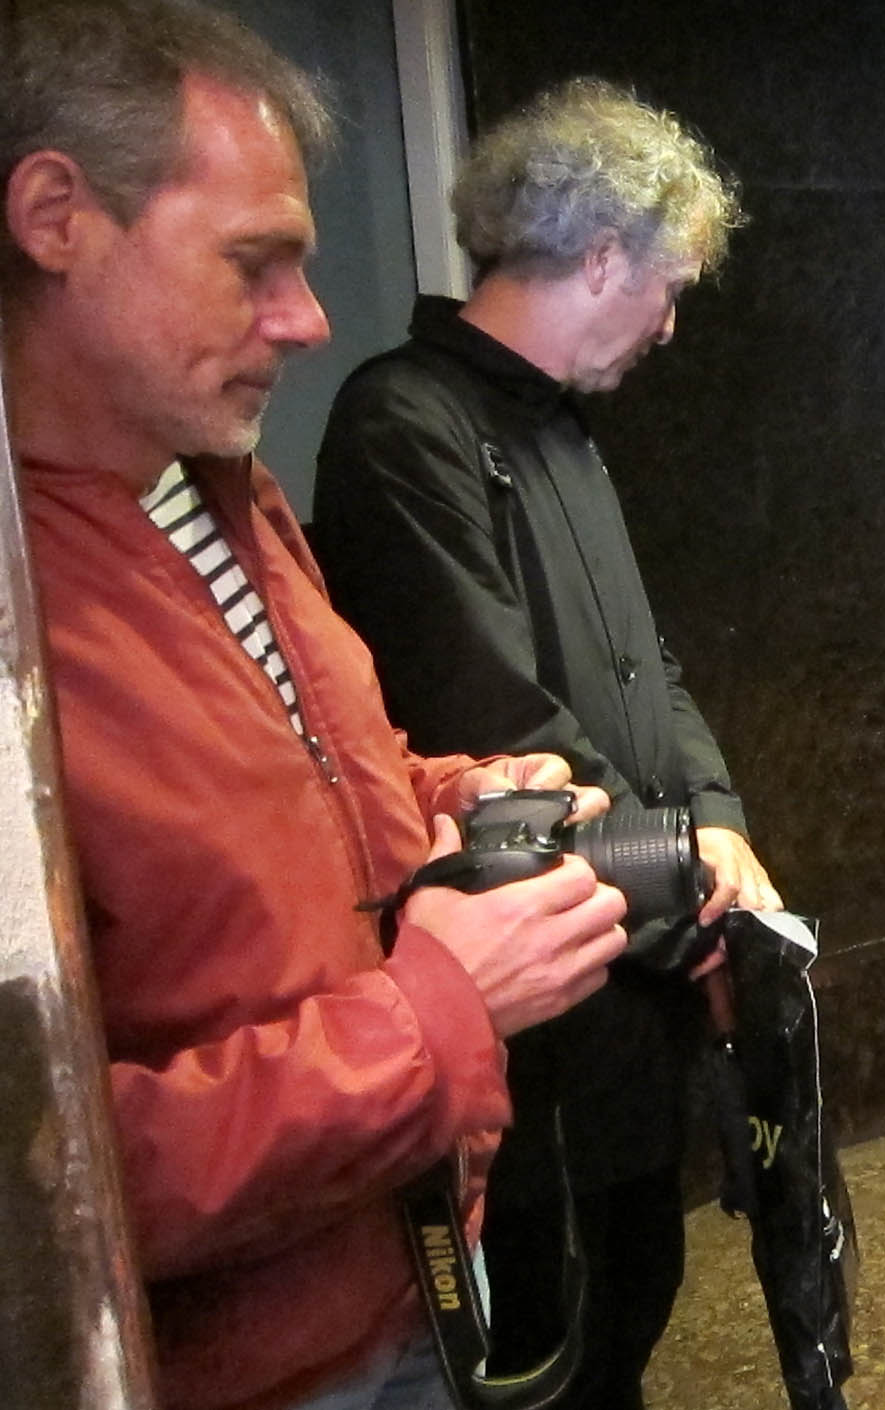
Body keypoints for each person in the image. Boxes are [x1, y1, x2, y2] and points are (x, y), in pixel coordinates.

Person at [0, 4, 634, 1407]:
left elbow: (315, 778)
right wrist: (440, 1007)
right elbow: (52, 1185)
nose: (308, 317)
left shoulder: (218, 489)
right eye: (254, 262)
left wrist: (453, 796)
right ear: (55, 218)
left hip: (410, 1269)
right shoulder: (17, 616)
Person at [312, 78, 781, 1409]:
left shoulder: (560, 427)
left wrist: (716, 821)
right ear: (604, 256)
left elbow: (646, 662)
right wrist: (679, 880)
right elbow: (491, 710)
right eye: (670, 286)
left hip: (629, 943)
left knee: (633, 1284)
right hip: (538, 998)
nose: (671, 324)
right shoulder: (404, 423)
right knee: (556, 1324)